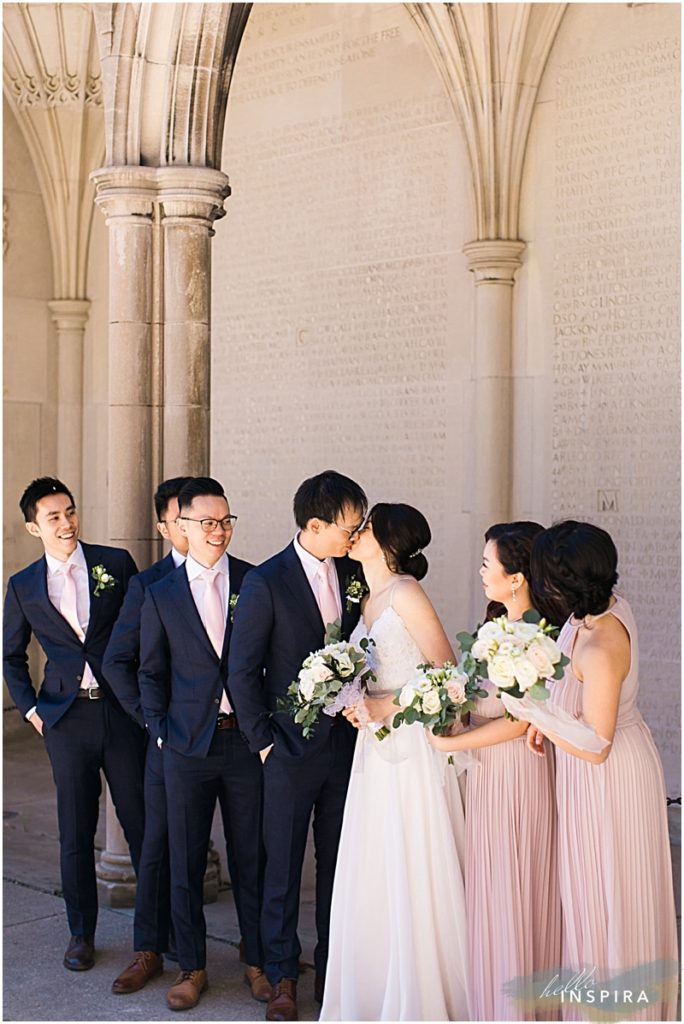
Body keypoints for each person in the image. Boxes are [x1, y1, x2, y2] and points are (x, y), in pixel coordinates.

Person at [320, 503, 469, 1022]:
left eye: (365, 527)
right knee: (374, 860)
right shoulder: (366, 600)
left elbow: (448, 673)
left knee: (410, 858)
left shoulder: (406, 593)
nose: (355, 533)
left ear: (386, 542)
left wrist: (388, 705)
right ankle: (375, 985)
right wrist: (349, 696)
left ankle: (418, 994)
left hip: (410, 749)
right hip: (373, 747)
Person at [229, 470, 368, 1022]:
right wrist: (263, 744)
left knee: (339, 864)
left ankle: (332, 970)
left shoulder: (354, 573)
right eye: (348, 526)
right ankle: (282, 973)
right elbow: (241, 671)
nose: (355, 536)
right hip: (286, 751)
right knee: (282, 868)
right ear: (315, 524)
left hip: (345, 748)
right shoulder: (266, 581)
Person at [527, 520, 678, 1021]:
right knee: (589, 894)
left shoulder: (603, 642)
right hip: (587, 774)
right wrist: (550, 723)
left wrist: (535, 714)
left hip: (610, 780)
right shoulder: (588, 614)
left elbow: (595, 746)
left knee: (611, 894)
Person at [3, 477, 145, 971]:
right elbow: (11, 656)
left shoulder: (116, 564)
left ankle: (153, 934)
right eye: (53, 518)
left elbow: (146, 634)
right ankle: (81, 934)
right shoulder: (22, 586)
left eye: (70, 512)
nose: (66, 523)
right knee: (75, 831)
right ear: (32, 528)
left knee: (142, 824)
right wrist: (34, 712)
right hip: (65, 720)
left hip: (122, 715)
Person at [138, 477, 266, 1012]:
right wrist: (162, 730)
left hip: (245, 745)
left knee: (252, 857)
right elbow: (149, 672)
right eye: (207, 523)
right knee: (184, 859)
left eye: (226, 521)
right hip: (185, 748)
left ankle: (260, 960)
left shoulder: (256, 581)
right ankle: (192, 966)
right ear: (182, 527)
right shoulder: (159, 592)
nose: (218, 532)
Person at [428, 522, 562, 1021]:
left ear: (516, 577)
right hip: (485, 773)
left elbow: (520, 720)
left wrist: (454, 739)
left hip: (517, 773)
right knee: (490, 888)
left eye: (488, 564)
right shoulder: (494, 628)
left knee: (516, 887)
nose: (481, 572)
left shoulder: (534, 636)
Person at [103, 476, 192, 994]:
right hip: (166, 739)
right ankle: (148, 948)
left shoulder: (242, 579)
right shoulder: (147, 584)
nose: (194, 526)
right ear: (164, 526)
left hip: (227, 740)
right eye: (181, 518)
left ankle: (224, 950)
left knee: (244, 845)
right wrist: (152, 721)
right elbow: (119, 660)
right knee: (156, 844)